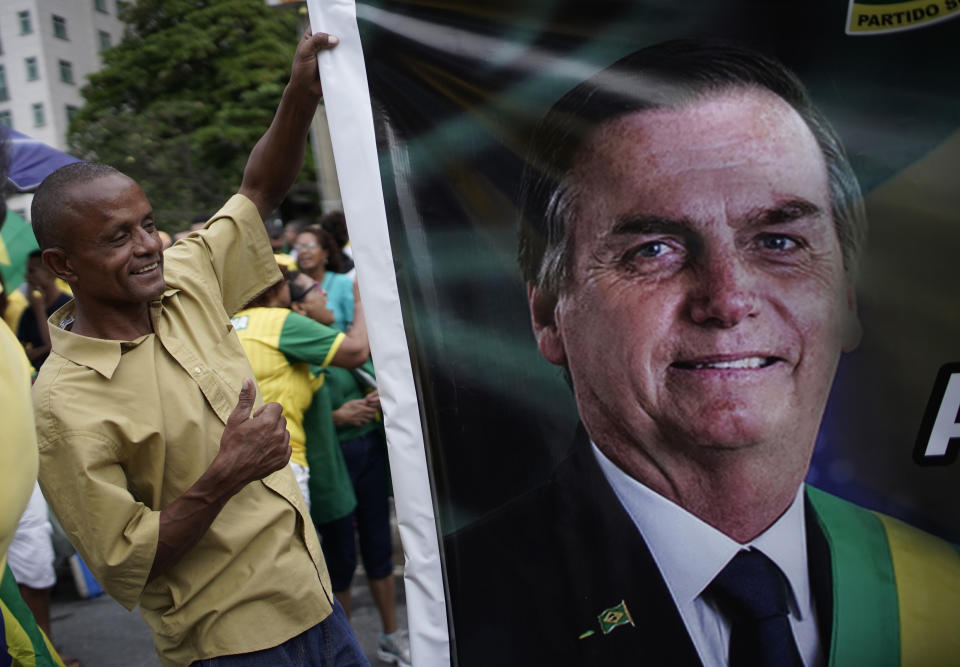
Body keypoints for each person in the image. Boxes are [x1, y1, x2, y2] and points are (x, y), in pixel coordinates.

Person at [446, 39, 960, 667]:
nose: (727, 299)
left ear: (846, 300)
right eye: (653, 250)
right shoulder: (454, 619)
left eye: (778, 240)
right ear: (549, 313)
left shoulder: (942, 587)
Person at [31, 31, 370, 666]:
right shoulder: (62, 403)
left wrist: (298, 94)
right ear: (62, 263)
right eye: (118, 237)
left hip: (322, 606)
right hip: (232, 648)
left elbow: (257, 193)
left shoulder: (186, 279)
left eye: (150, 224)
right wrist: (225, 475)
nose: (149, 246)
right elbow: (123, 561)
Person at [232, 265, 369, 510]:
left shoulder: (230, 324)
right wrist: (362, 301)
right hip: (283, 458)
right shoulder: (278, 321)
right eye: (286, 283)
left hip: (242, 462)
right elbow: (356, 351)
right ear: (272, 287)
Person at [17, 250, 72, 368]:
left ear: (50, 273)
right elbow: (19, 353)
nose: (27, 276)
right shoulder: (28, 313)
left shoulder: (69, 306)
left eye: (32, 271)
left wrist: (39, 310)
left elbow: (59, 349)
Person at [294, 225, 354, 331]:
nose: (303, 251)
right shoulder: (294, 285)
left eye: (310, 246)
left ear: (325, 253)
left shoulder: (343, 283)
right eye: (298, 247)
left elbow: (355, 325)